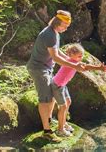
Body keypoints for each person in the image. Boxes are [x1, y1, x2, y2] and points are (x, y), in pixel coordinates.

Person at [26, 10, 85, 142]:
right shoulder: (49, 35)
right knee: (45, 99)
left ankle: (49, 120)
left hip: (46, 68)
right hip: (38, 69)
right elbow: (55, 57)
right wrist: (74, 66)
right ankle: (47, 131)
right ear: (58, 22)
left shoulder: (55, 33)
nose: (66, 28)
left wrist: (72, 62)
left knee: (51, 95)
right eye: (65, 25)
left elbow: (57, 52)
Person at [52, 43, 106, 137]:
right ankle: (60, 130)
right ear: (71, 55)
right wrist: (99, 68)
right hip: (57, 86)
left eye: (82, 56)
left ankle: (64, 123)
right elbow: (84, 68)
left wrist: (99, 68)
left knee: (68, 102)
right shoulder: (71, 62)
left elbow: (86, 66)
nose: (81, 58)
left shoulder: (73, 61)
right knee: (63, 106)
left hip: (62, 85)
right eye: (79, 56)